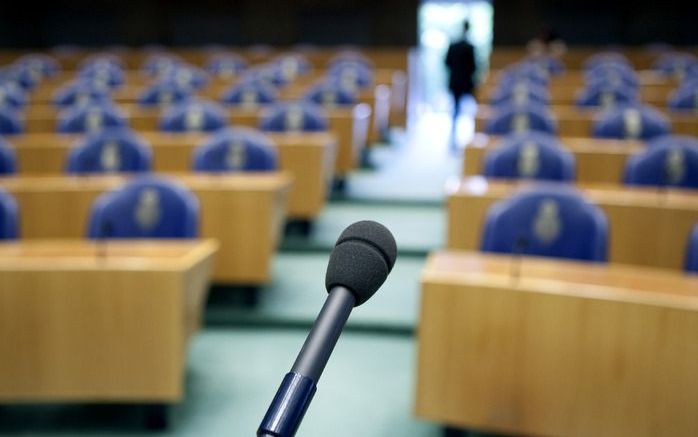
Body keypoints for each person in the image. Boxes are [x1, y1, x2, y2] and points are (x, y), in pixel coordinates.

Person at [445, 20, 477, 121]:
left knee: (456, 104)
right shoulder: (469, 47)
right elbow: (473, 66)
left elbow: (447, 62)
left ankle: (457, 123)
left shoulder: (454, 46)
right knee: (468, 104)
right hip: (465, 81)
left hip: (455, 79)